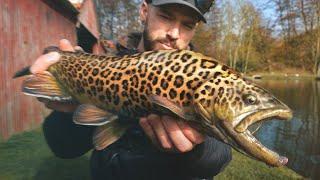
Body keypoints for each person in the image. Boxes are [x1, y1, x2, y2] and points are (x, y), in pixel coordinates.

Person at [31, 0, 232, 179]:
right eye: (165, 16)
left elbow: (220, 156)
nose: (174, 34)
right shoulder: (107, 67)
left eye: (187, 25)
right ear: (144, 12)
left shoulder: (207, 81)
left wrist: (196, 150)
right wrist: (74, 95)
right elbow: (62, 147)